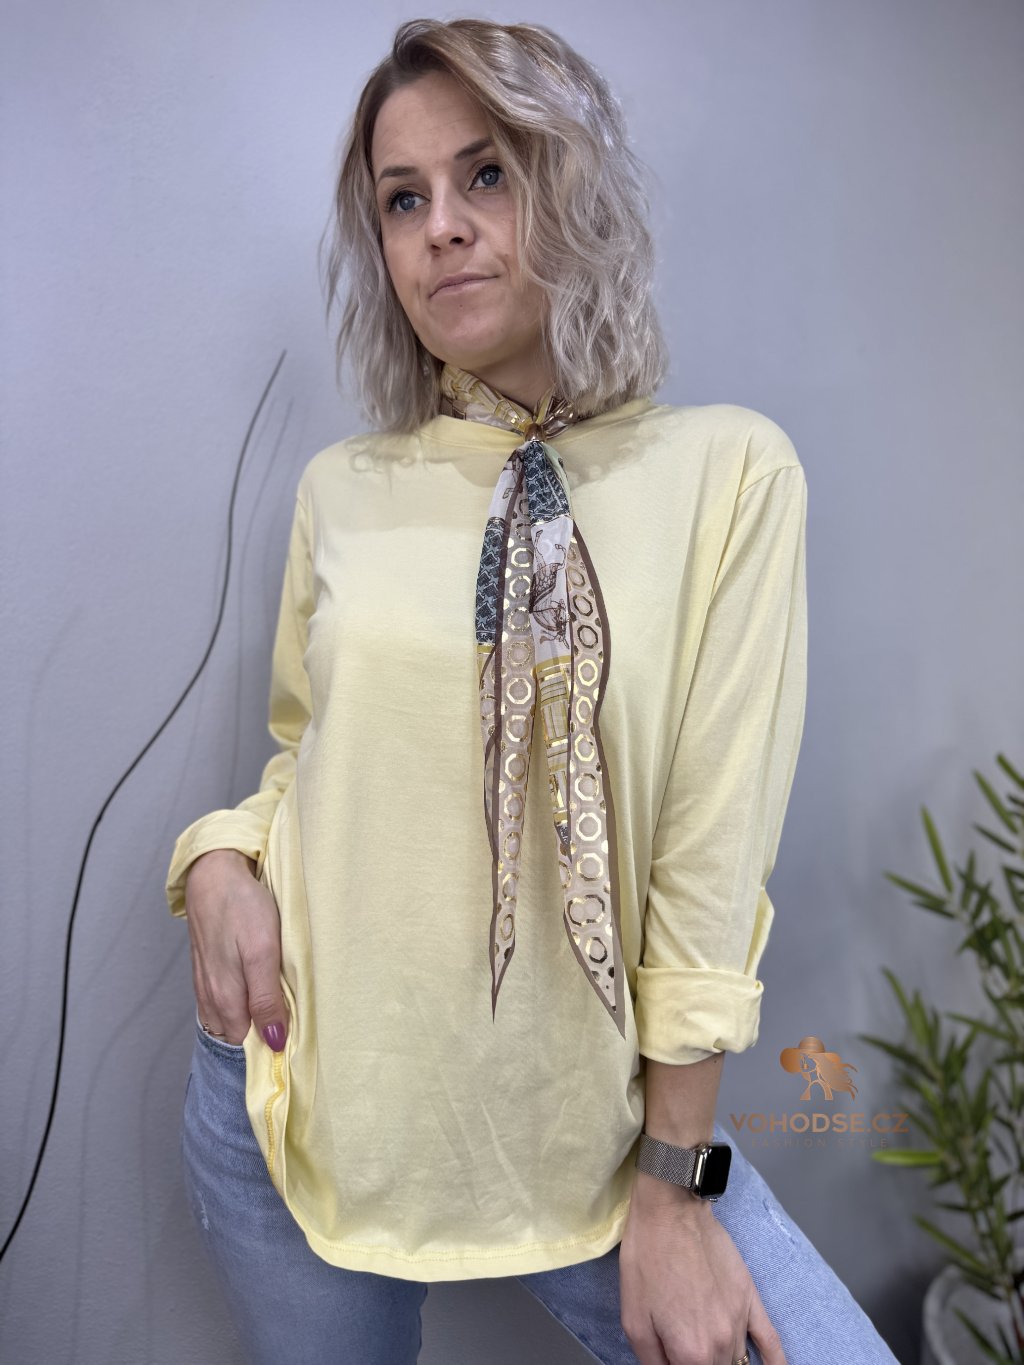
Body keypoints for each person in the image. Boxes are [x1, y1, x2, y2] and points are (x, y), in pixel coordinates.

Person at [168, 17, 898, 1365]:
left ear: (572, 188)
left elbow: (708, 864)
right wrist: (218, 859)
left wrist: (674, 1187)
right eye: (403, 199)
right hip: (301, 1101)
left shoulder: (729, 474)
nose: (442, 226)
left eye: (487, 174)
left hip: (600, 1144)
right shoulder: (344, 489)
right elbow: (311, 763)